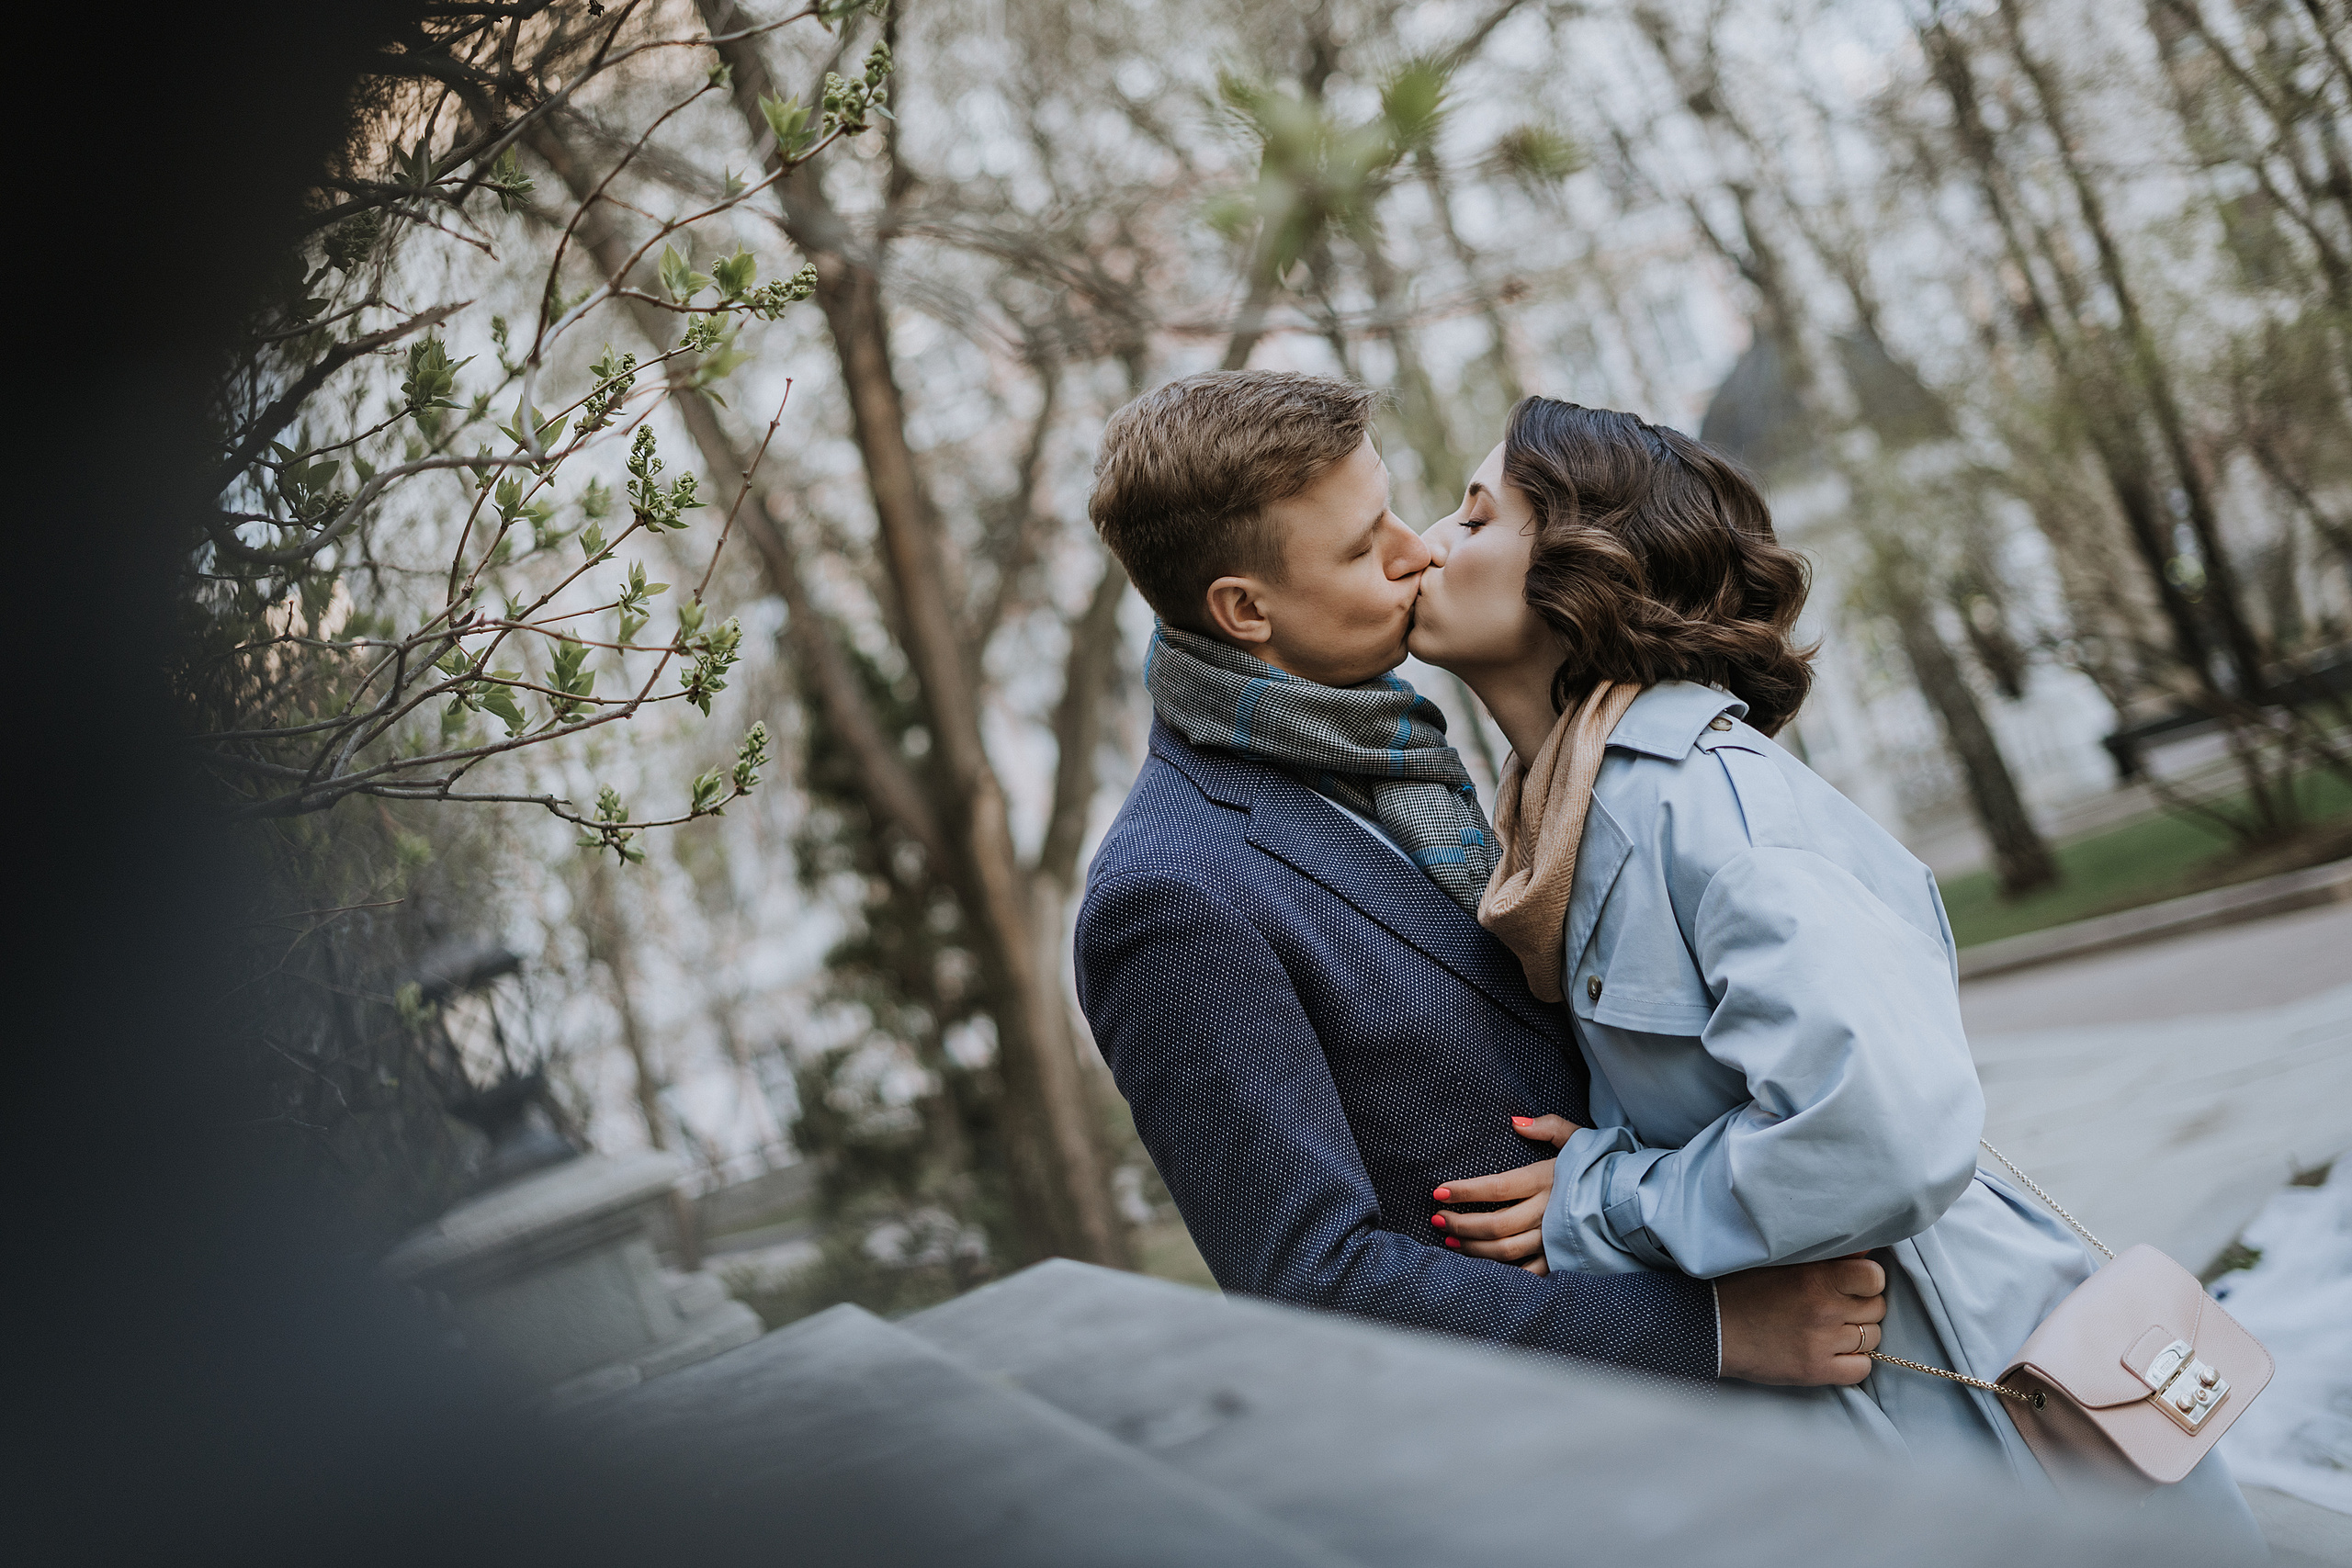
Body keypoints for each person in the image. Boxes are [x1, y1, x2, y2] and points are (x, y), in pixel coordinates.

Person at [1408, 395, 2261, 1536]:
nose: (1425, 543)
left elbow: (1882, 1131)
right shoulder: (1573, 815)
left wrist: (1604, 1200)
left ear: (1583, 566)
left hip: (1980, 1416)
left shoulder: (1704, 803)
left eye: (1474, 518)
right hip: (1863, 1416)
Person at [1075, 370, 1886, 1387]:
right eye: (1364, 543)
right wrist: (1712, 1334)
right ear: (1245, 609)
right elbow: (1310, 1281)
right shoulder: (1169, 894)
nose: (1414, 548)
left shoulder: (1410, 759)